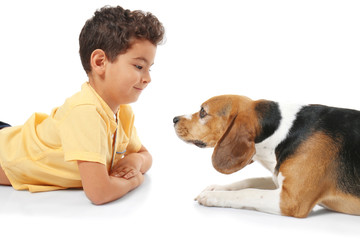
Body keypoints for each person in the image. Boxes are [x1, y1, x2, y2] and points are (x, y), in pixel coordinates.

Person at [0, 5, 165, 205]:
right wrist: (135, 180)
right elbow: (100, 193)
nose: (147, 78)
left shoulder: (122, 114)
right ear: (99, 62)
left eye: (149, 69)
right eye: (139, 66)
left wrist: (134, 161)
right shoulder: (86, 113)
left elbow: (144, 154)